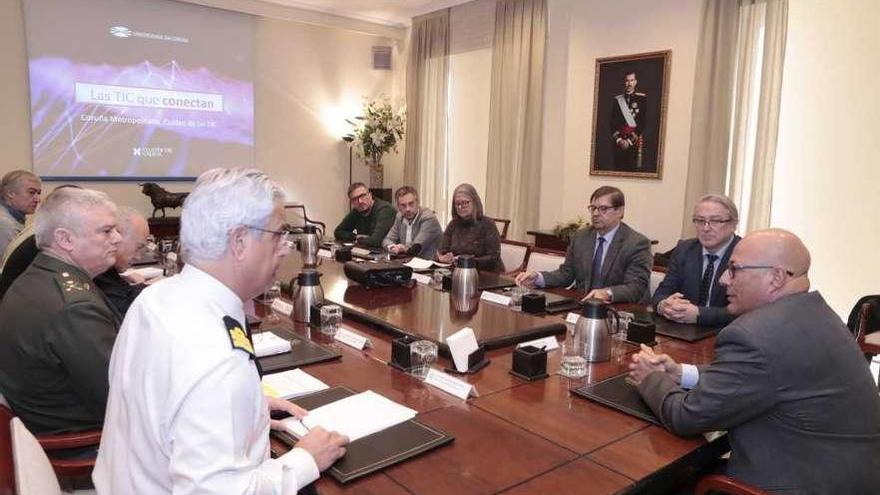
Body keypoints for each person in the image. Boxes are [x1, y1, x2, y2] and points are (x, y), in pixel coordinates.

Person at [94, 168, 348, 494]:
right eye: (277, 235)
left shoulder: (155, 298)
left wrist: (248, 412)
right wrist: (305, 460)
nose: (286, 249)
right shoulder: (216, 358)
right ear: (239, 241)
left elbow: (167, 408)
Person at [629, 229, 880, 493]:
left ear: (776, 277)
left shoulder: (756, 335)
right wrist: (682, 373)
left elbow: (686, 416)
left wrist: (650, 377)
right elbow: (762, 375)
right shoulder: (816, 312)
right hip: (848, 474)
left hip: (795, 483)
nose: (724, 279)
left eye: (734, 269)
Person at [0, 188, 121, 434]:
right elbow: (117, 397)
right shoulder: (74, 307)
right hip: (80, 440)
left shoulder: (40, 274)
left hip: (46, 420)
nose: (118, 238)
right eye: (107, 231)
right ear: (65, 239)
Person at [515, 186, 651, 303]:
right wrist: (538, 278)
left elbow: (636, 287)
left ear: (620, 211)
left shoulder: (636, 243)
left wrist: (607, 293)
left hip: (620, 310)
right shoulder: (582, 237)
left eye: (603, 209)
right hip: (582, 305)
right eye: (593, 208)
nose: (596, 214)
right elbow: (566, 274)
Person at [652, 194, 741, 326]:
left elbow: (744, 311)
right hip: (682, 331)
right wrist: (664, 305)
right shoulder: (685, 249)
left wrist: (699, 314)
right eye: (700, 221)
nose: (706, 228)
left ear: (733, 224)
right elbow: (661, 294)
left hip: (725, 333)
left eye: (715, 221)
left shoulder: (746, 254)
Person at [94, 207, 151, 316]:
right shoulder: (97, 270)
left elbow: (123, 292)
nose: (138, 257)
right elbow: (125, 310)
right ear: (118, 235)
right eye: (138, 247)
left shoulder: (109, 269)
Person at [437, 183, 504, 272]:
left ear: (475, 202)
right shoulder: (453, 225)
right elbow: (442, 250)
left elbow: (493, 257)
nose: (460, 207)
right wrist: (443, 257)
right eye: (457, 204)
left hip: (487, 273)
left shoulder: (488, 224)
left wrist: (466, 261)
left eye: (464, 202)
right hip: (459, 272)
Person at [381, 186, 443, 259]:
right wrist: (393, 247)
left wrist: (403, 248)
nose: (407, 209)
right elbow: (387, 240)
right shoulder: (400, 217)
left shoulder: (428, 218)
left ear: (418, 202)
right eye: (403, 205)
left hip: (429, 263)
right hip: (407, 261)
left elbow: (416, 247)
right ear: (398, 206)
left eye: (411, 204)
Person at [333, 182, 396, 248]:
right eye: (355, 199)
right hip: (366, 252)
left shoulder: (385, 210)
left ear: (370, 195)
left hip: (387, 254)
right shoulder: (357, 211)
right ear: (352, 203)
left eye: (362, 196)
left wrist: (360, 240)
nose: (360, 201)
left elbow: (376, 241)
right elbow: (338, 232)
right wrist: (355, 237)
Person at [610, 72, 648, 170]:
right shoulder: (617, 100)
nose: (629, 83)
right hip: (619, 144)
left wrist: (628, 142)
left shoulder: (642, 99)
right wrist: (619, 140)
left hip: (633, 144)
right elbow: (612, 123)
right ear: (624, 82)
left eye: (631, 80)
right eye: (627, 81)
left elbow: (642, 122)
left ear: (635, 82)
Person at [0, 170, 42, 256]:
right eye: (31, 192)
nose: (38, 199)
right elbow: (10, 267)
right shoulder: (6, 225)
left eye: (38, 193)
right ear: (10, 193)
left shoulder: (11, 218)